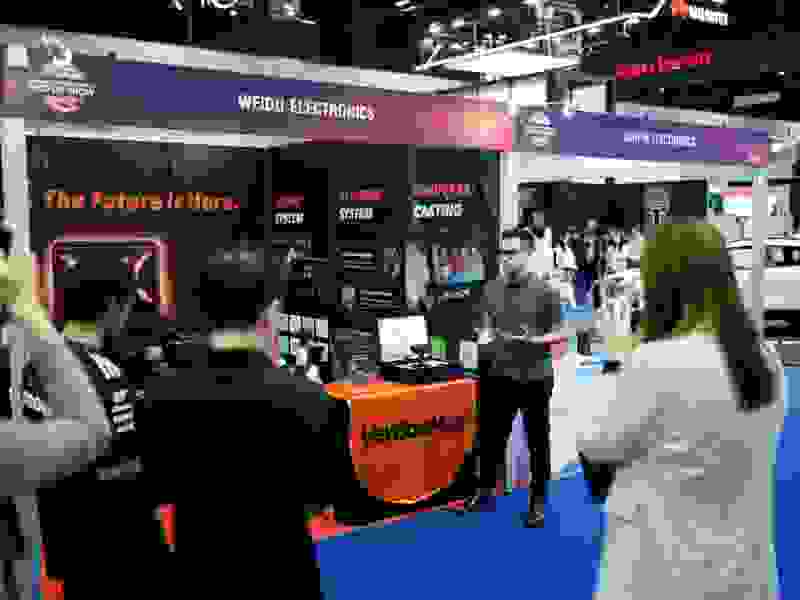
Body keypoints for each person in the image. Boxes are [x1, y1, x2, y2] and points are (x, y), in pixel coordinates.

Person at [577, 223, 782, 600]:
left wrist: (616, 366)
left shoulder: (657, 362)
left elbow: (596, 445)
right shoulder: (763, 359)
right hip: (744, 573)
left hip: (662, 572)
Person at [137, 240, 346, 599]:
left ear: (203, 309)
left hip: (201, 574)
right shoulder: (311, 399)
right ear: (268, 310)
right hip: (284, 575)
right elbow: (322, 497)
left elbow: (158, 487)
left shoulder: (162, 395)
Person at [461, 228, 562, 527]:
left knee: (537, 443)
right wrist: (482, 337)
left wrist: (536, 340)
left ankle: (538, 500)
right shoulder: (491, 289)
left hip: (535, 378)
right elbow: (485, 327)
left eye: (512, 252)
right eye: (502, 252)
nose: (505, 258)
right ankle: (484, 490)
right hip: (497, 375)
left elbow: (560, 335)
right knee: (491, 438)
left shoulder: (545, 291)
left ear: (527, 253)